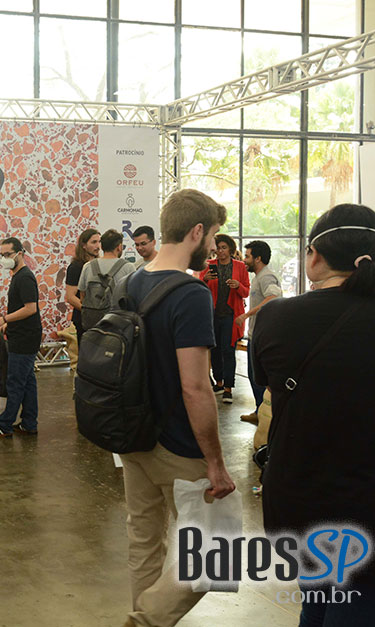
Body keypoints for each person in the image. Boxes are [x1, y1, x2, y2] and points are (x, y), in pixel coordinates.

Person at [254, 204, 375, 626]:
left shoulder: (275, 318)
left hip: (299, 500)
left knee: (316, 603)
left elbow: (264, 386)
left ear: (313, 255)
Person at [119, 189, 236, 627]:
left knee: (144, 542)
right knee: (217, 550)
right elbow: (196, 387)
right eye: (215, 235)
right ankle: (144, 621)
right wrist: (216, 462)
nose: (215, 246)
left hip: (133, 435)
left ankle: (144, 617)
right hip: (178, 445)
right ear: (197, 231)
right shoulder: (191, 294)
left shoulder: (132, 281)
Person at [0, 237, 42, 438]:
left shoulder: (24, 278)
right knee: (27, 381)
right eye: (2, 255)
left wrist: (4, 319)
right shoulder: (18, 276)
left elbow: (30, 308)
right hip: (22, 334)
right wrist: (7, 324)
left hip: (25, 338)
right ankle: (29, 423)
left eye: (8, 254)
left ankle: (5, 424)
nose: (4, 258)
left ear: (20, 254)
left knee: (15, 382)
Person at [198, 234, 249, 405]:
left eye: (224, 248)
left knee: (228, 350)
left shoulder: (240, 266)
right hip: (212, 314)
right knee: (215, 349)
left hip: (231, 314)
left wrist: (238, 286)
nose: (220, 251)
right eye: (218, 248)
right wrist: (205, 279)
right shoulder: (208, 265)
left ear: (230, 249)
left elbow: (246, 292)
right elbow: (199, 289)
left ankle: (228, 387)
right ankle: (218, 382)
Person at [236, 240, 281, 425]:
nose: (244, 260)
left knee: (259, 376)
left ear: (258, 258)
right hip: (255, 334)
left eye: (247, 256)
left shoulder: (266, 277)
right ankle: (259, 410)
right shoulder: (258, 277)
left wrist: (247, 314)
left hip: (263, 336)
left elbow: (274, 297)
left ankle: (266, 413)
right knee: (254, 375)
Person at [77, 229, 132, 329]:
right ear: (119, 247)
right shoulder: (128, 267)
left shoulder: (88, 266)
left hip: (92, 325)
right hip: (118, 325)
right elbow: (133, 297)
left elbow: (82, 298)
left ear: (102, 247)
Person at [63, 228, 101, 347]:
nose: (98, 246)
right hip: (84, 320)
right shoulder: (76, 267)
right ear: (84, 245)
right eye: (94, 242)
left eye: (99, 242)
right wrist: (90, 311)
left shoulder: (100, 264)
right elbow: (70, 297)